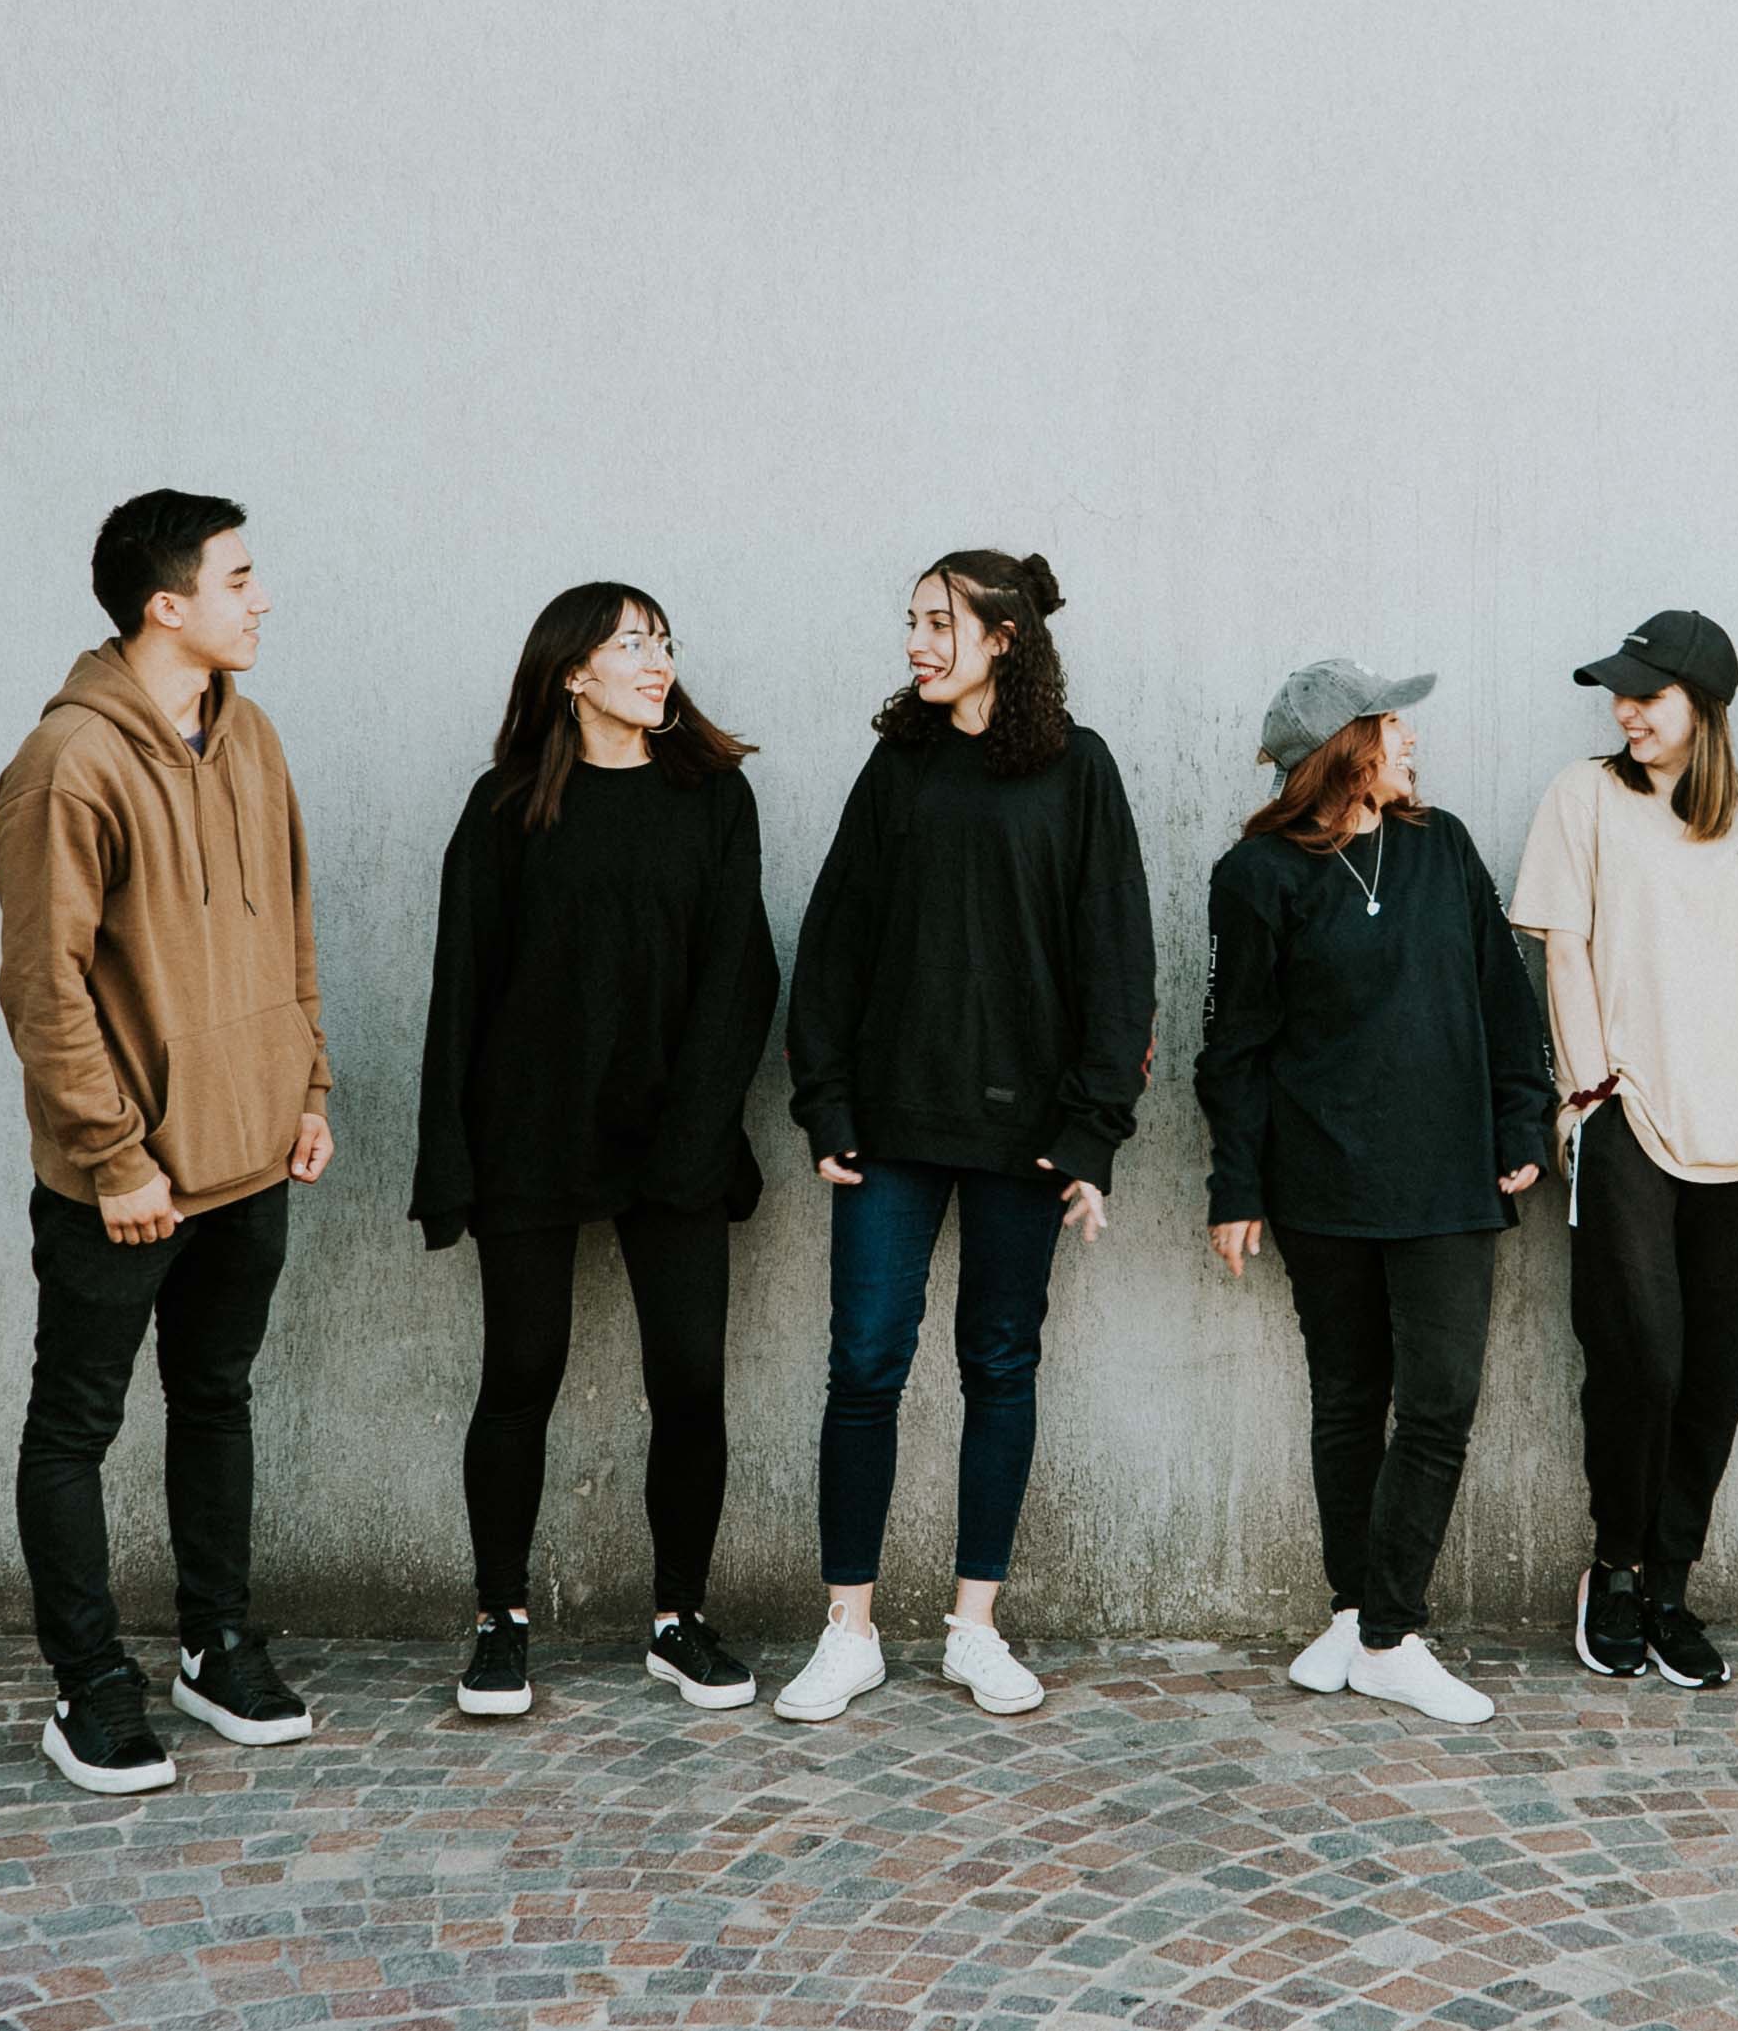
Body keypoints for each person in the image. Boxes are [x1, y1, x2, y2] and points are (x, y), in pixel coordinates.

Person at [0, 491, 335, 1795]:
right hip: (123, 1177)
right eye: (240, 577)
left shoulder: (253, 741)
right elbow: (43, 982)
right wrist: (114, 1152)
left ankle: (217, 1644)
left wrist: (305, 1082)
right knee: (76, 1422)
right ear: (166, 603)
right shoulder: (69, 760)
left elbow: (291, 923)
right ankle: (88, 1688)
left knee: (216, 1396)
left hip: (251, 1151)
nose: (262, 597)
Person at [775, 550, 1155, 1723]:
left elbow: (1118, 962)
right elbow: (831, 941)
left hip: (1025, 1143)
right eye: (910, 620)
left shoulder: (1076, 770)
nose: (915, 641)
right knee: (865, 1366)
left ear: (1004, 636)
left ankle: (973, 1628)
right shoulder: (898, 767)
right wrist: (825, 1104)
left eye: (938, 622)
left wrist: (1090, 1133)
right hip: (889, 1129)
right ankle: (848, 1630)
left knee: (999, 1365)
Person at [412, 583, 779, 1720]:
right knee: (520, 1373)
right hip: (531, 1134)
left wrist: (700, 1130)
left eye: (665, 641)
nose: (657, 659)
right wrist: (450, 1162)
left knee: (690, 1381)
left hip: (673, 1141)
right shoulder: (505, 804)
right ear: (574, 670)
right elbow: (461, 987)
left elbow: (742, 974)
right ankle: (500, 1619)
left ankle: (679, 1617)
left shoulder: (712, 797)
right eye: (632, 643)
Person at [1198, 662, 1554, 1727]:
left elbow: (1502, 989)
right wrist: (1234, 1186)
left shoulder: (1440, 844)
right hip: (1322, 1182)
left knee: (1438, 1398)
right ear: (1346, 746)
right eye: (1394, 724)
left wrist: (1520, 1117)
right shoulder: (1256, 874)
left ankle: (1385, 1630)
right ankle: (1361, 1614)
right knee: (1349, 1401)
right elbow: (1236, 1048)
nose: (1411, 740)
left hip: (1446, 1176)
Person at [1510, 609, 1738, 1691]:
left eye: (1648, 692)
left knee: (1718, 1369)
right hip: (1628, 1115)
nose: (1625, 710)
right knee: (1641, 1357)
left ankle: (1673, 1578)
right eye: (1619, 693)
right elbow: (1563, 948)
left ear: (1705, 708)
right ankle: (1616, 1568)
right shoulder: (1582, 797)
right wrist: (1588, 1095)